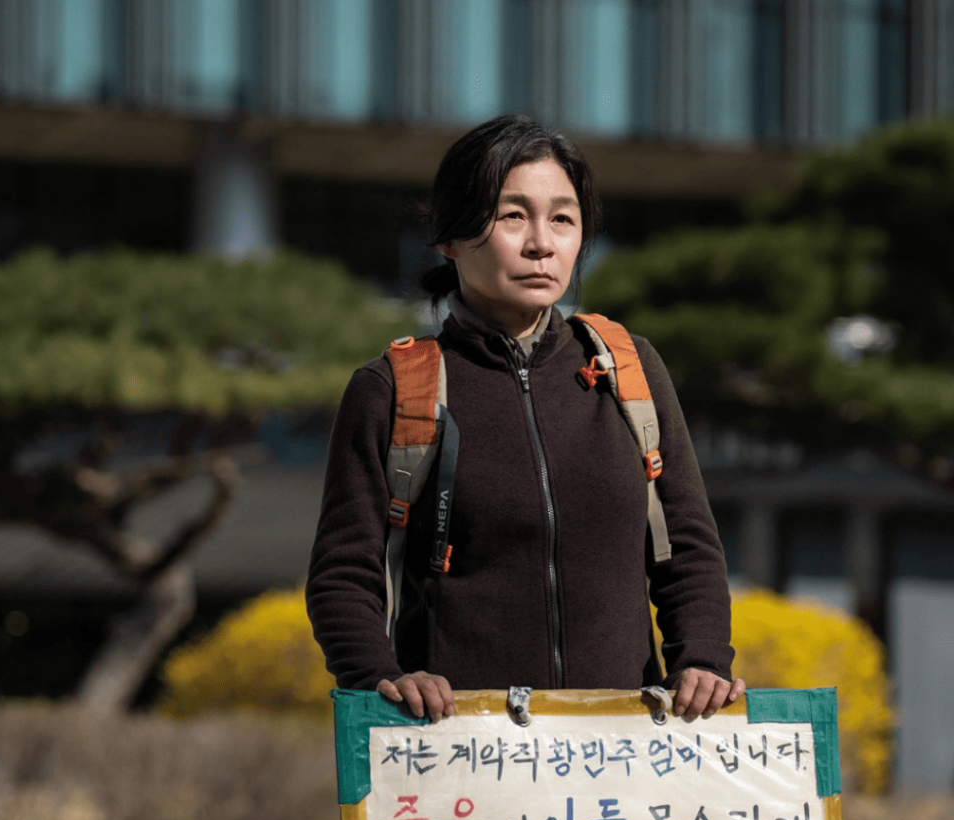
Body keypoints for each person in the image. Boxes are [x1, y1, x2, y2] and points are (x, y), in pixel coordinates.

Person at [306, 114, 744, 725]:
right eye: (513, 216)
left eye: (563, 219)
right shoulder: (393, 389)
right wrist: (383, 677)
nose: (542, 242)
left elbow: (689, 547)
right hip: (464, 752)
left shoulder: (628, 370)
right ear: (450, 237)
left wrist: (702, 658)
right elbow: (343, 575)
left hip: (621, 746)